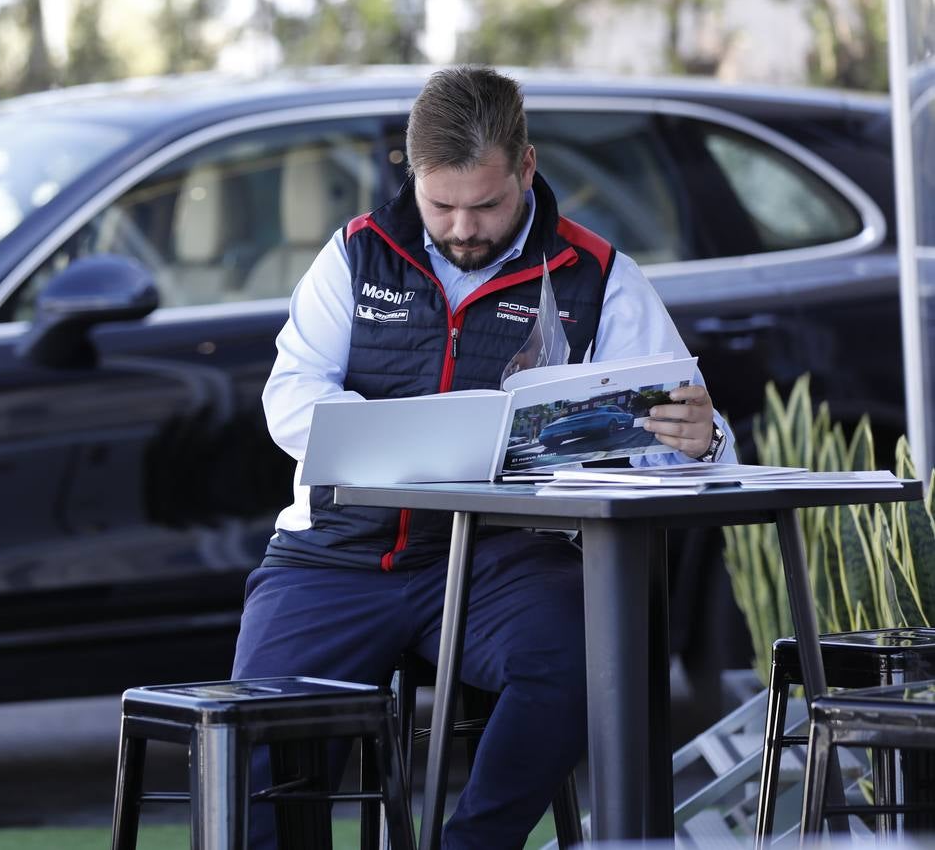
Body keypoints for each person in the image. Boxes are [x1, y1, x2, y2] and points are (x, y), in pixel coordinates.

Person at [233, 66, 732, 849]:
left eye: (487, 204)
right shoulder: (354, 255)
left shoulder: (599, 276)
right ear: (411, 172)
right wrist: (389, 432)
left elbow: (677, 435)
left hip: (502, 559)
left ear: (526, 167)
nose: (463, 227)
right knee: (263, 761)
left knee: (590, 653)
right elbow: (287, 395)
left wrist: (700, 439)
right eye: (441, 206)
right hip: (333, 556)